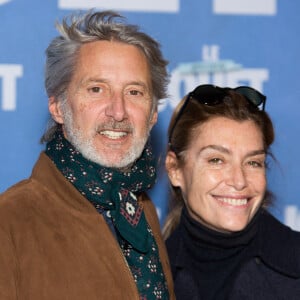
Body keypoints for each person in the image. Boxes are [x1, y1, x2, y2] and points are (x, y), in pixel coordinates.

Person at [0, 10, 175, 300]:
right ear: (58, 106)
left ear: (153, 113)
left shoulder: (141, 212)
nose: (118, 112)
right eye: (96, 89)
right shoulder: (9, 222)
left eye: (134, 92)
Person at [163, 84, 300, 299]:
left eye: (253, 162)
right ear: (174, 169)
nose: (239, 181)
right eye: (216, 160)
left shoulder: (293, 266)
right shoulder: (145, 279)